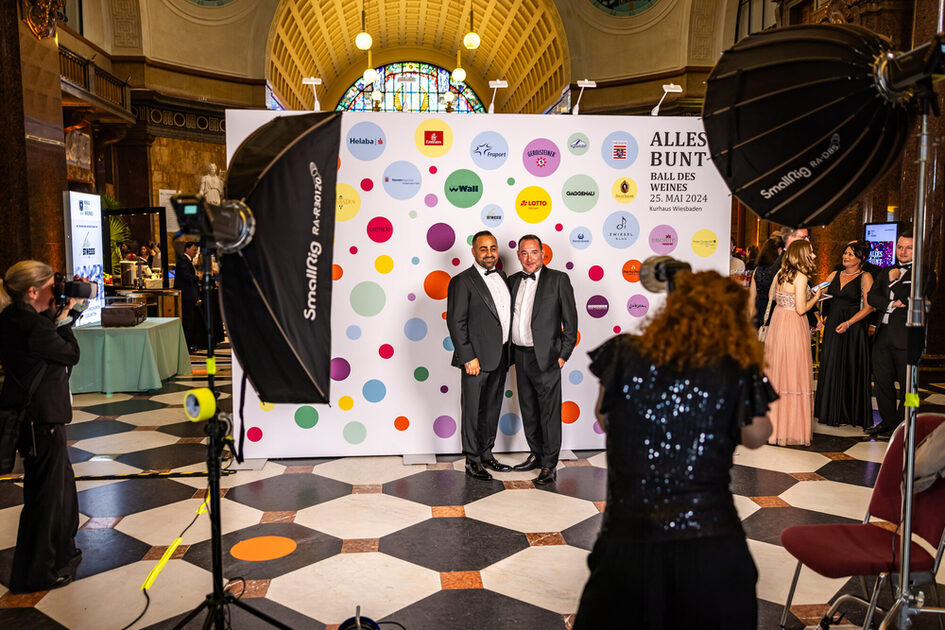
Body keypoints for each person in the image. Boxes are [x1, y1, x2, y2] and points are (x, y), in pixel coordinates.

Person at [573, 271, 774, 630]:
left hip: (629, 532)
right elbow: (757, 434)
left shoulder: (624, 354)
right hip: (710, 537)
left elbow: (605, 419)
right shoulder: (734, 367)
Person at [0, 261, 83, 593]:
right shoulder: (34, 328)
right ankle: (35, 575)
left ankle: (61, 554)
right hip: (42, 421)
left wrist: (59, 315)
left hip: (36, 419)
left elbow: (42, 338)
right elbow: (70, 353)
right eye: (51, 287)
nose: (56, 292)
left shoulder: (13, 319)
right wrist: (65, 320)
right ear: (32, 291)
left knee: (57, 492)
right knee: (45, 500)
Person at [507, 235, 578, 485]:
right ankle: (536, 454)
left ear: (543, 254)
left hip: (547, 358)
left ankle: (549, 464)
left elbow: (571, 322)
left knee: (548, 412)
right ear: (518, 255)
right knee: (528, 409)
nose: (529, 258)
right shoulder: (513, 280)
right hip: (520, 355)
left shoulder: (558, 279)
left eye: (534, 252)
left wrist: (562, 356)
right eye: (524, 253)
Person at [446, 231, 513, 480]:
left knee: (492, 407)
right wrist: (467, 357)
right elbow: (456, 322)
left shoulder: (503, 276)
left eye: (493, 248)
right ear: (474, 252)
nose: (489, 253)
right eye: (483, 249)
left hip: (501, 356)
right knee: (473, 410)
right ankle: (472, 461)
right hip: (475, 359)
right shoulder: (462, 281)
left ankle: (487, 454)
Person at [866, 231, 938, 438]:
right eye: (900, 246)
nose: (903, 251)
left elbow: (910, 298)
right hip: (882, 335)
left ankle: (906, 423)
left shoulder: (925, 274)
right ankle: (888, 423)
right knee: (881, 383)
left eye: (908, 247)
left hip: (907, 337)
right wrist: (891, 303)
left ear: (917, 250)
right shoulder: (886, 269)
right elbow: (872, 297)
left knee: (909, 386)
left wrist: (892, 283)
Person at [765, 240, 825, 446]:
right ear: (802, 255)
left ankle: (774, 427)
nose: (815, 256)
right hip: (792, 325)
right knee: (793, 373)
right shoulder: (801, 277)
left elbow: (773, 297)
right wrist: (816, 296)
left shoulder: (782, 274)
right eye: (812, 252)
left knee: (779, 373)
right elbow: (801, 309)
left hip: (779, 322)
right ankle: (791, 428)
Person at [814, 241, 874, 428]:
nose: (846, 257)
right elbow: (816, 291)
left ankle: (847, 414)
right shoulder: (834, 274)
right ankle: (828, 412)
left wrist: (849, 323)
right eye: (845, 253)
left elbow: (870, 306)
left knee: (849, 367)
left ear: (861, 258)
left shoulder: (865, 277)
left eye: (851, 254)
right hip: (833, 324)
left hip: (853, 327)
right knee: (831, 364)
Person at [748, 234, 784, 328]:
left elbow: (752, 296)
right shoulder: (779, 271)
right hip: (773, 309)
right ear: (779, 250)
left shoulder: (757, 269)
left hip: (758, 307)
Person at [174, 241, 200, 351]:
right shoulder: (183, 261)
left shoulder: (186, 261)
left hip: (189, 295)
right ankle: (187, 346)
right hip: (186, 296)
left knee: (191, 321)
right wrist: (198, 277)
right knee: (188, 321)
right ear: (187, 249)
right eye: (194, 250)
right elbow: (186, 276)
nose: (195, 253)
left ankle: (189, 344)